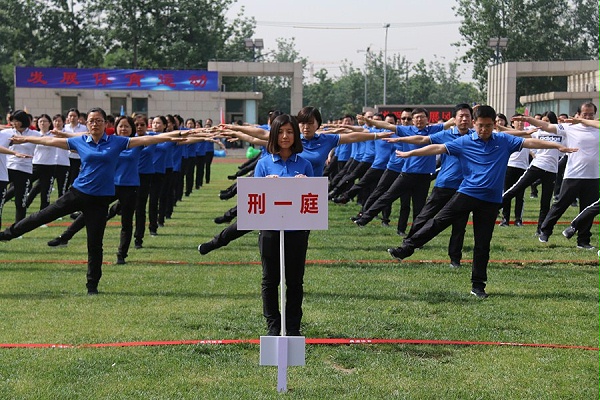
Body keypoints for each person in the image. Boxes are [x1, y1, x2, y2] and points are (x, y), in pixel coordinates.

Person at [386, 105, 578, 299]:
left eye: (488, 126)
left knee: (482, 244)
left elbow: (530, 143)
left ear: (494, 124)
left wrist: (557, 146)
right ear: (474, 124)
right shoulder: (465, 141)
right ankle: (407, 248)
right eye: (480, 126)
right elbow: (438, 147)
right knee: (438, 221)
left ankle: (478, 285)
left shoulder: (503, 140)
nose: (484, 130)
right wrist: (410, 153)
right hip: (467, 193)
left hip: (491, 201)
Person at [0, 107, 185, 295]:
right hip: (77, 193)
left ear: (105, 124)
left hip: (100, 201)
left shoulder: (117, 142)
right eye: (91, 121)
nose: (94, 123)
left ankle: (92, 285)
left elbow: (149, 139)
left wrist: (180, 133)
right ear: (86, 124)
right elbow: (50, 140)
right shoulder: (80, 141)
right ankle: (8, 234)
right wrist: (26, 138)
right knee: (42, 216)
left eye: (98, 120)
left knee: (95, 244)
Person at [383, 103, 474, 267]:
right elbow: (423, 139)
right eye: (461, 116)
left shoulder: (476, 137)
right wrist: (401, 140)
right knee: (424, 217)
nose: (465, 119)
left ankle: (455, 260)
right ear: (454, 119)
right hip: (444, 185)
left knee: (459, 226)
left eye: (468, 116)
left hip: (465, 188)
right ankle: (406, 245)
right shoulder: (445, 134)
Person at [253, 113, 314, 336]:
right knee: (270, 280)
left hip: (297, 231)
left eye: (290, 132)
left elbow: (313, 199)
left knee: (295, 281)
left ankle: (293, 326)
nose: (285, 136)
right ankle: (273, 326)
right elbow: (254, 199)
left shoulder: (305, 165)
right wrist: (264, 185)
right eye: (280, 132)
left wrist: (306, 185)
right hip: (270, 231)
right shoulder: (263, 164)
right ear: (273, 135)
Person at [514, 102, 600, 248]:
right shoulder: (569, 127)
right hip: (574, 174)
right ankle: (545, 230)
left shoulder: (597, 128)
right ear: (578, 113)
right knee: (560, 204)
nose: (588, 116)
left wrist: (584, 120)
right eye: (585, 114)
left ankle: (583, 240)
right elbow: (547, 126)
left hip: (593, 175)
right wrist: (527, 119)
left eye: (591, 114)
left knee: (587, 210)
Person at [501, 111, 563, 235]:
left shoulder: (561, 133)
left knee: (545, 202)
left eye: (548, 121)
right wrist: (498, 127)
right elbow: (517, 133)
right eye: (543, 120)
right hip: (536, 166)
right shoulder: (537, 132)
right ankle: (494, 208)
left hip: (551, 170)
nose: (545, 123)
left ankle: (540, 229)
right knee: (515, 189)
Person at [1, 110, 40, 223]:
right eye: (13, 120)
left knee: (20, 201)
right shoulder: (7, 133)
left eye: (17, 121)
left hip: (24, 170)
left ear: (23, 121)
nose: (14, 123)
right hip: (8, 168)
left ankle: (18, 228)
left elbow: (47, 140)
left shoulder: (34, 134)